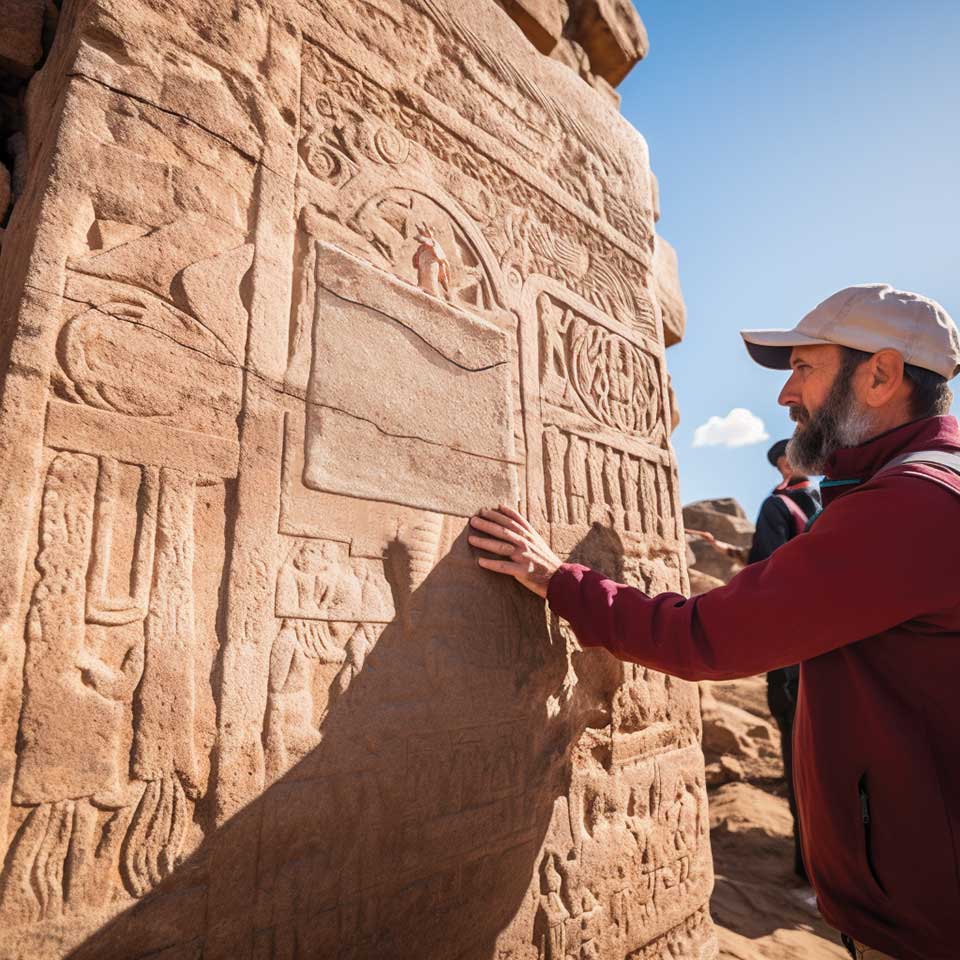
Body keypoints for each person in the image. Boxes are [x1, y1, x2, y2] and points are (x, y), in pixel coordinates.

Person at [469, 284, 960, 960]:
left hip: (928, 908)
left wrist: (558, 580)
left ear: (879, 375)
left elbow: (709, 638)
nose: (788, 394)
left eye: (804, 368)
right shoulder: (929, 485)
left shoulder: (907, 506)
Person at [752, 437, 821, 881]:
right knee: (806, 759)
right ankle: (811, 862)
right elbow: (766, 574)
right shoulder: (788, 506)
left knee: (810, 758)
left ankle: (818, 861)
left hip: (808, 651)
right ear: (783, 464)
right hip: (803, 654)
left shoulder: (814, 501)